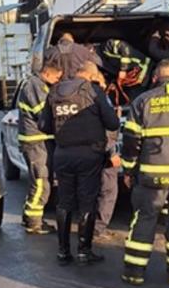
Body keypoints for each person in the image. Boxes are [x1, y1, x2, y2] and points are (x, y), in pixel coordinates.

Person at [119, 59, 169, 286]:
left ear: (155, 78)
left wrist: (128, 169)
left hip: (151, 175)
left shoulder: (143, 101)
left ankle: (134, 272)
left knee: (145, 218)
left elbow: (131, 140)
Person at [38, 54, 120, 265]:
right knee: (87, 203)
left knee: (64, 203)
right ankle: (84, 251)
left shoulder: (55, 91)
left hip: (62, 154)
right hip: (89, 155)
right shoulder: (93, 91)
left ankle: (63, 252)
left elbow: (44, 125)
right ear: (91, 75)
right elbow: (112, 123)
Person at [15, 52, 63, 234]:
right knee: (41, 182)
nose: (58, 81)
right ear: (47, 74)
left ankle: (30, 217)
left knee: (42, 180)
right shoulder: (35, 86)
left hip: (40, 142)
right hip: (35, 143)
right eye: (57, 77)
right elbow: (43, 114)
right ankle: (34, 223)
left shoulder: (39, 85)